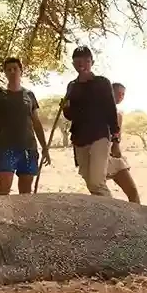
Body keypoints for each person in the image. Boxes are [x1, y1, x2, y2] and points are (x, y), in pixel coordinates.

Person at [0, 57, 51, 195]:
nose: (12, 72)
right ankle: (2, 217)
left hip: (28, 148)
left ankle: (24, 217)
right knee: (4, 189)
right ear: (5, 73)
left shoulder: (29, 95)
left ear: (21, 71)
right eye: (9, 70)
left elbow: (36, 123)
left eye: (15, 69)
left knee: (26, 193)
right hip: (7, 148)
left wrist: (44, 147)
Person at [60, 45, 119, 197]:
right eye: (78, 61)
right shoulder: (72, 86)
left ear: (92, 62)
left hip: (99, 136)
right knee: (89, 181)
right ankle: (104, 212)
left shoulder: (102, 83)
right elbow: (70, 116)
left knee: (96, 182)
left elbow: (111, 110)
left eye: (86, 60)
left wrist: (116, 139)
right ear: (73, 64)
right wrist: (65, 108)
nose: (82, 64)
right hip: (80, 138)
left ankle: (113, 214)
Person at [106, 82, 141, 203]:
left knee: (132, 191)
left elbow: (117, 138)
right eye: (118, 93)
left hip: (113, 156)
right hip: (98, 155)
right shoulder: (99, 112)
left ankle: (136, 219)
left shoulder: (119, 115)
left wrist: (117, 149)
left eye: (123, 94)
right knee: (100, 193)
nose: (120, 97)